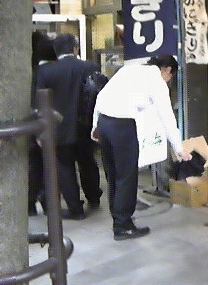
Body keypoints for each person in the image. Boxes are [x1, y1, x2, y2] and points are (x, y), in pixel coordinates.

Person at [91, 55, 191, 241]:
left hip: (105, 123)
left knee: (113, 174)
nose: (168, 81)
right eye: (171, 77)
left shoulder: (129, 69)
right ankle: (123, 226)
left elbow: (101, 96)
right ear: (168, 70)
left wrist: (95, 127)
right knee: (126, 176)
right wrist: (179, 148)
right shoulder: (156, 80)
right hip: (122, 125)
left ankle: (118, 218)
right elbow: (167, 116)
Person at [36, 33, 102, 220]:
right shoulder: (90, 67)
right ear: (75, 49)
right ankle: (94, 198)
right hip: (86, 126)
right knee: (88, 162)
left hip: (59, 128)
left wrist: (40, 133)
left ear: (56, 51)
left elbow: (40, 103)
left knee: (65, 168)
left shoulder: (46, 71)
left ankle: (75, 209)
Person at [28, 31, 58, 216]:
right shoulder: (48, 71)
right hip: (46, 125)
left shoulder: (29, 72)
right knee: (49, 166)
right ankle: (47, 202)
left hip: (31, 124)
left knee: (33, 166)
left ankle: (30, 203)